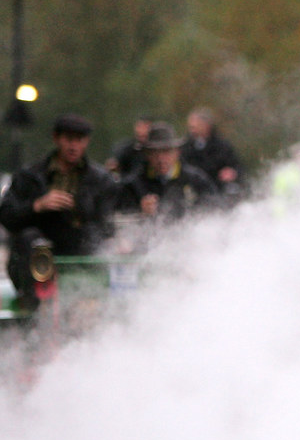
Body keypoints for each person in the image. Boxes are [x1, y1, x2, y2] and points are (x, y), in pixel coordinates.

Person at [1, 114, 119, 311]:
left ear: (87, 142)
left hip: (80, 256)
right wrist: (37, 206)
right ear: (57, 138)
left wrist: (80, 211)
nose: (73, 146)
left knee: (97, 243)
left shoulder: (101, 180)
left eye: (79, 140)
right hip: (36, 262)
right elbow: (6, 216)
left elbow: (107, 226)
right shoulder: (30, 175)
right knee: (32, 240)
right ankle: (38, 305)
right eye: (68, 139)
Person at [118, 121, 220, 222]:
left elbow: (215, 212)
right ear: (147, 154)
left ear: (177, 152)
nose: (161, 159)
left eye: (166, 151)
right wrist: (141, 212)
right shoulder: (133, 185)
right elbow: (122, 220)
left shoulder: (196, 180)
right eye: (155, 153)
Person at [181, 107, 243, 199]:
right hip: (193, 189)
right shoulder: (185, 146)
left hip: (218, 188)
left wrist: (232, 172)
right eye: (190, 127)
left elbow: (237, 166)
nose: (192, 130)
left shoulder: (222, 146)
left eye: (195, 126)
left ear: (206, 125)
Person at [105, 114, 152, 180]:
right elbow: (112, 166)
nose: (142, 131)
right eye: (140, 126)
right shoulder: (125, 148)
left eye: (146, 127)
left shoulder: (154, 150)